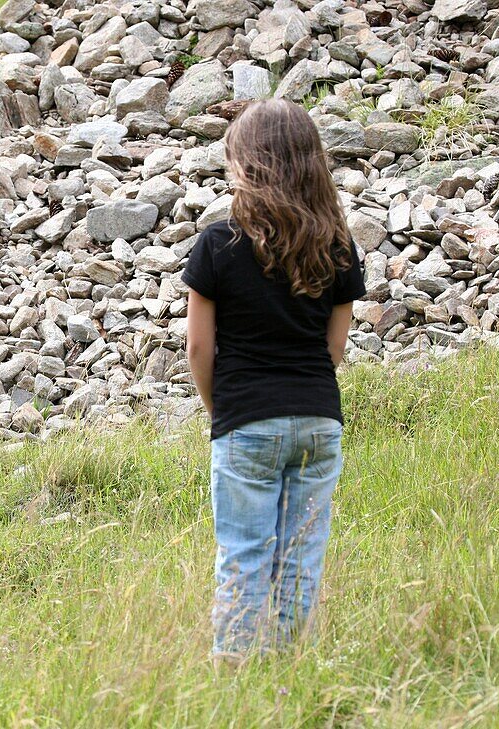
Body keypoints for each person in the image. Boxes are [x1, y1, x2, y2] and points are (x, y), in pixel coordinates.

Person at [181, 99, 366, 662]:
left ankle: (234, 679)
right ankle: (287, 671)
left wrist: (223, 410)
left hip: (244, 420)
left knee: (242, 554)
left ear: (246, 164)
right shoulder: (338, 245)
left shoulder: (218, 244)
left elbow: (197, 348)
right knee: (300, 559)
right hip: (318, 419)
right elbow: (335, 348)